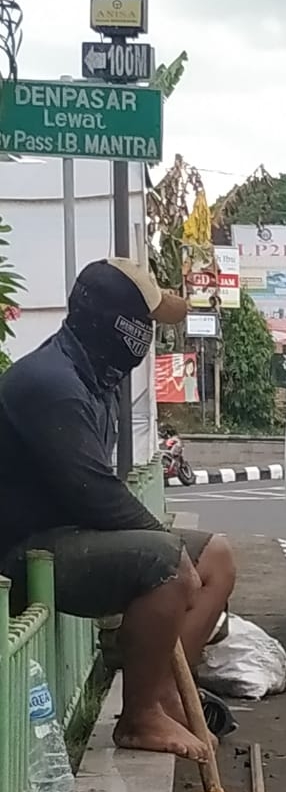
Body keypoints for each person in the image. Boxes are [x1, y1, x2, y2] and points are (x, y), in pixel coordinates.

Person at [0, 257, 236, 760]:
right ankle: (138, 718)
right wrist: (172, 554)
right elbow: (96, 496)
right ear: (116, 322)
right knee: (169, 566)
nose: (150, 335)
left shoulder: (92, 377)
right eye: (145, 323)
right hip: (25, 553)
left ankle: (166, 694)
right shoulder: (50, 383)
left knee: (216, 558)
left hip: (70, 535)